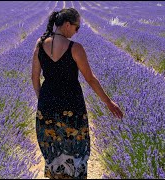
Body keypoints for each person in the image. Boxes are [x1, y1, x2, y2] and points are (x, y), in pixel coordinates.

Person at [31, 8, 124, 179]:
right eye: (76, 27)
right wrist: (109, 102)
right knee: (75, 149)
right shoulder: (75, 48)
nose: (77, 31)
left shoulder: (39, 44)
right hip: (72, 107)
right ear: (67, 25)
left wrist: (41, 99)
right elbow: (90, 79)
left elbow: (34, 77)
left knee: (53, 147)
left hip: (47, 105)